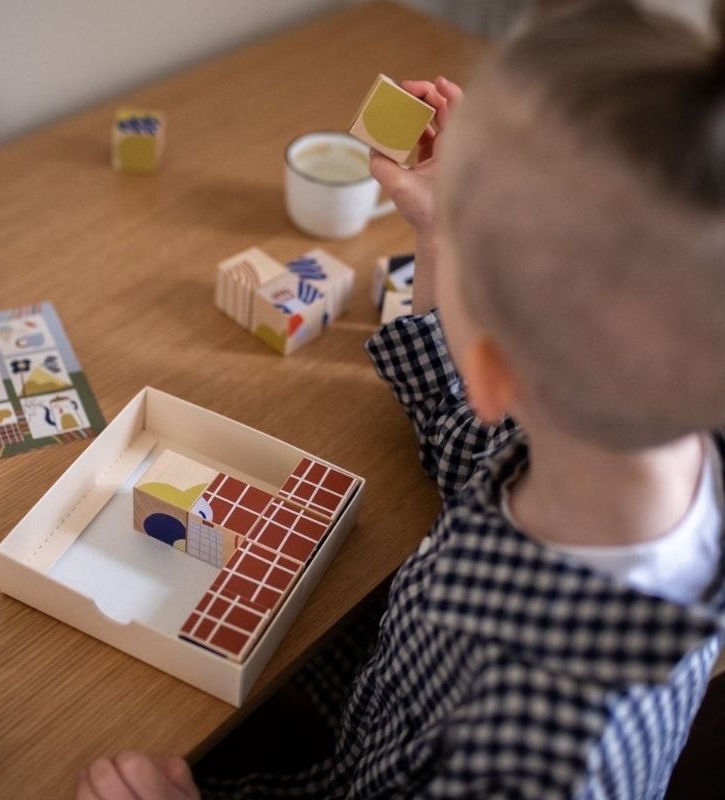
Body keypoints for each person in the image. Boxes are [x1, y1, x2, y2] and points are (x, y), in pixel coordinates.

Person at [77, 1, 725, 797]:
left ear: (491, 372)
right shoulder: (636, 446)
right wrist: (442, 234)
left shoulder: (527, 763)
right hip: (382, 689)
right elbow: (466, 438)